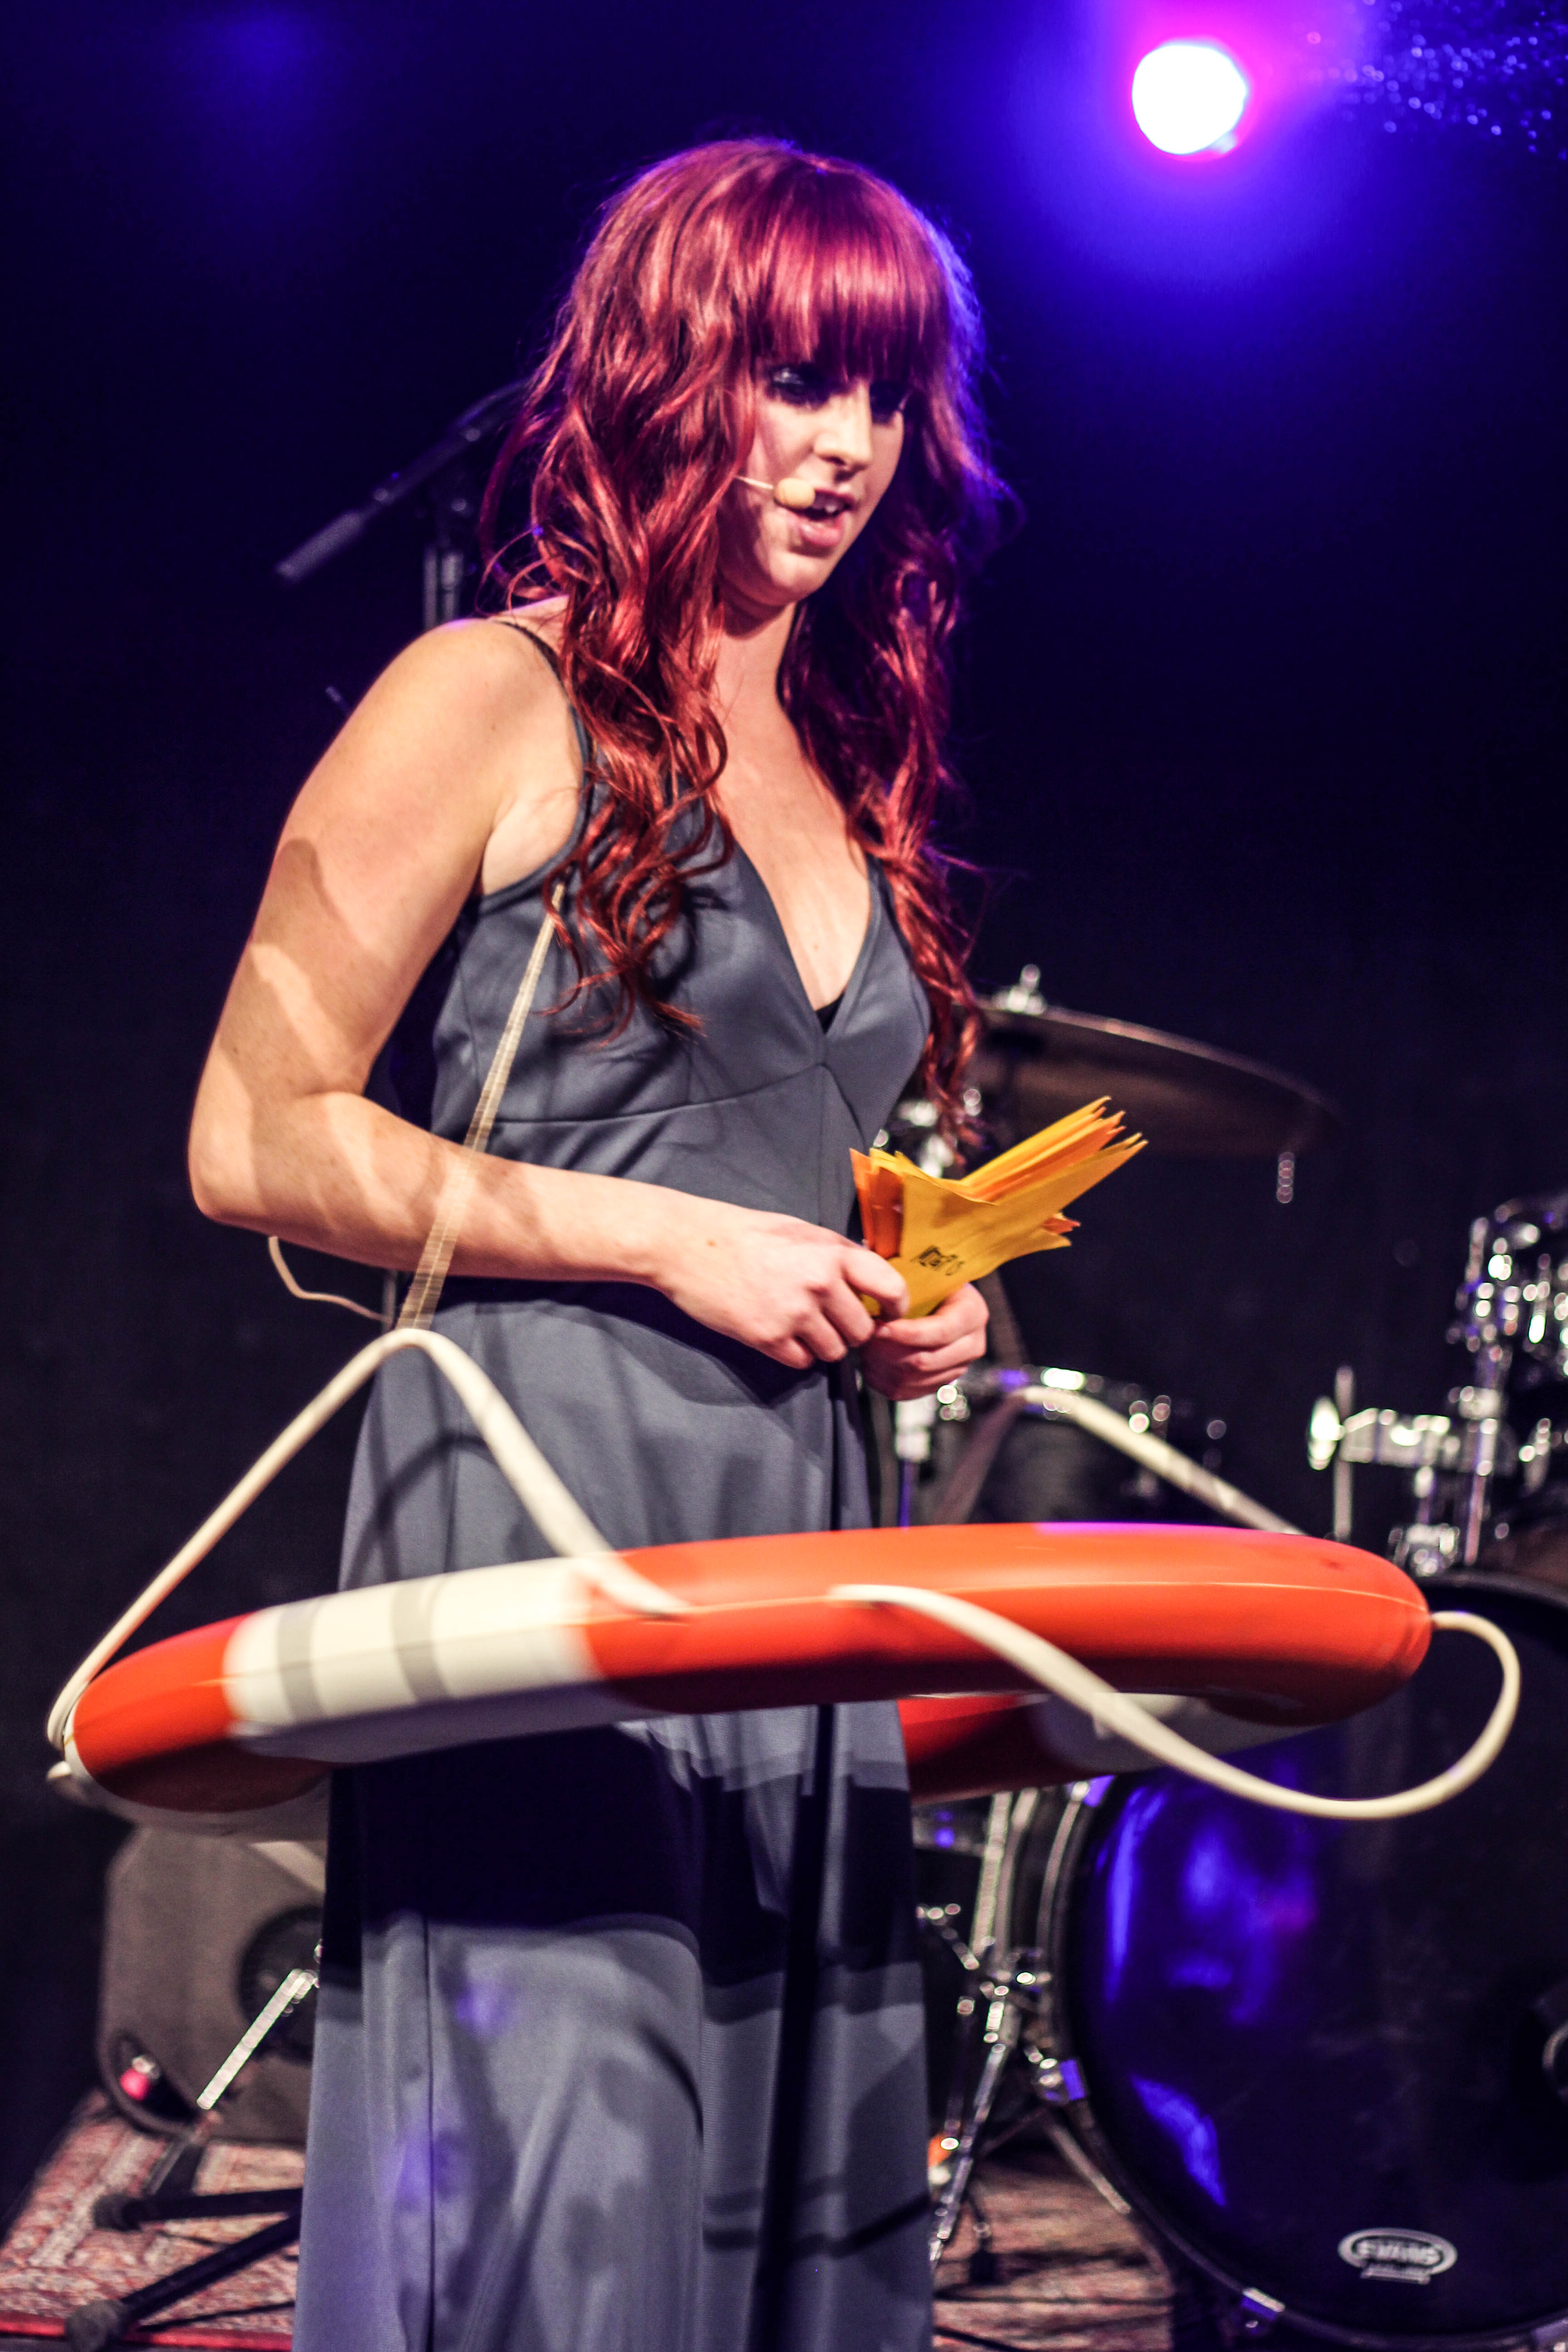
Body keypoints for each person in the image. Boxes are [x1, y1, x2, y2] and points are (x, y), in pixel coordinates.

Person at [189, 137, 1006, 2352]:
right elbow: (251, 1134)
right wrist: (665, 1243)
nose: (845, 444)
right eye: (794, 377)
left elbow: (792, 1153)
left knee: (784, 2188)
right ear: (667, 372)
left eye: (885, 392)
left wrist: (918, 1290)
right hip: (542, 1492)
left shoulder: (845, 750)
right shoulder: (486, 693)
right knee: (568, 2185)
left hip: (799, 1529)